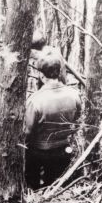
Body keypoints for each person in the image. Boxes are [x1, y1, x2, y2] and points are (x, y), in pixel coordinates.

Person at [25, 54, 81, 190]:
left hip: (39, 152)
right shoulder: (74, 94)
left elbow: (26, 131)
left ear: (40, 75)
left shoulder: (35, 100)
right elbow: (77, 120)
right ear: (59, 71)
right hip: (63, 150)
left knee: (33, 188)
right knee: (58, 188)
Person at [28, 30, 67, 95]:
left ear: (35, 49)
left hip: (51, 91)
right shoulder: (54, 51)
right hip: (60, 88)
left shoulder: (44, 57)